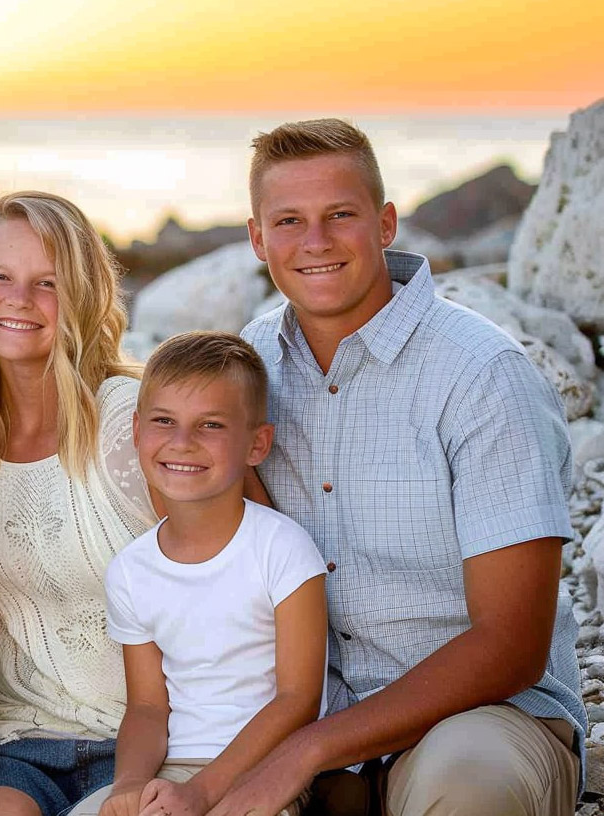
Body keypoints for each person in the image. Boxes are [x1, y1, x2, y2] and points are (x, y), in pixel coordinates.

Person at [211, 118, 585, 816]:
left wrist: (310, 749)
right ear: (258, 239)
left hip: (481, 716)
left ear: (385, 223)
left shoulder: (482, 375)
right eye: (288, 220)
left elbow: (512, 645)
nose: (315, 242)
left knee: (467, 790)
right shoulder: (246, 370)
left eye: (340, 215)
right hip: (306, 711)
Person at [0, 192, 156, 816]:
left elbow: (238, 572)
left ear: (83, 296)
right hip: (18, 748)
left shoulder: (132, 422)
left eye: (47, 283)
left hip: (149, 749)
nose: (20, 299)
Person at [82, 331, 326, 816]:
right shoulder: (131, 571)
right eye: (164, 421)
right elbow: (148, 707)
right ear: (136, 431)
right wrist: (129, 785)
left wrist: (202, 792)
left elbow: (297, 699)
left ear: (257, 444)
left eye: (210, 425)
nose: (182, 443)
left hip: (264, 771)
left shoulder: (282, 550)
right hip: (170, 772)